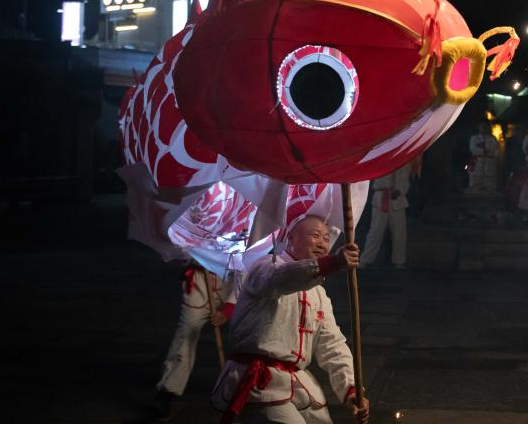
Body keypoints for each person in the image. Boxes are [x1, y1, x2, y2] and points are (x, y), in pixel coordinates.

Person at [210, 216, 369, 424]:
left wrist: (351, 389)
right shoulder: (266, 266)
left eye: (326, 238)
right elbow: (282, 278)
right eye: (315, 235)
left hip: (297, 383)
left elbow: (332, 345)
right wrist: (332, 263)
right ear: (290, 238)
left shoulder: (319, 294)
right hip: (260, 383)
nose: (322, 244)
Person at [154, 262, 238, 420]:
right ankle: (167, 390)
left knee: (243, 336)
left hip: (231, 284)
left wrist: (228, 310)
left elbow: (247, 267)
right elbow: (179, 255)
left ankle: (241, 389)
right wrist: (194, 257)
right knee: (184, 337)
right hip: (199, 287)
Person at [362, 162, 415, 269]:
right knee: (376, 231)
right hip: (381, 198)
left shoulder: (404, 162)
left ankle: (399, 261)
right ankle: (365, 260)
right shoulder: (382, 159)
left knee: (399, 232)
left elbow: (405, 181)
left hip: (397, 200)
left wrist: (400, 191)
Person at [467, 121, 500, 194]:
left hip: (489, 162)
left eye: (485, 126)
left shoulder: (493, 138)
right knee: (475, 181)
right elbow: (473, 149)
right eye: (481, 126)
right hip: (477, 161)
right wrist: (485, 150)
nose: (483, 128)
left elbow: (494, 149)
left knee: (489, 182)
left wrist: (483, 147)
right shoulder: (474, 138)